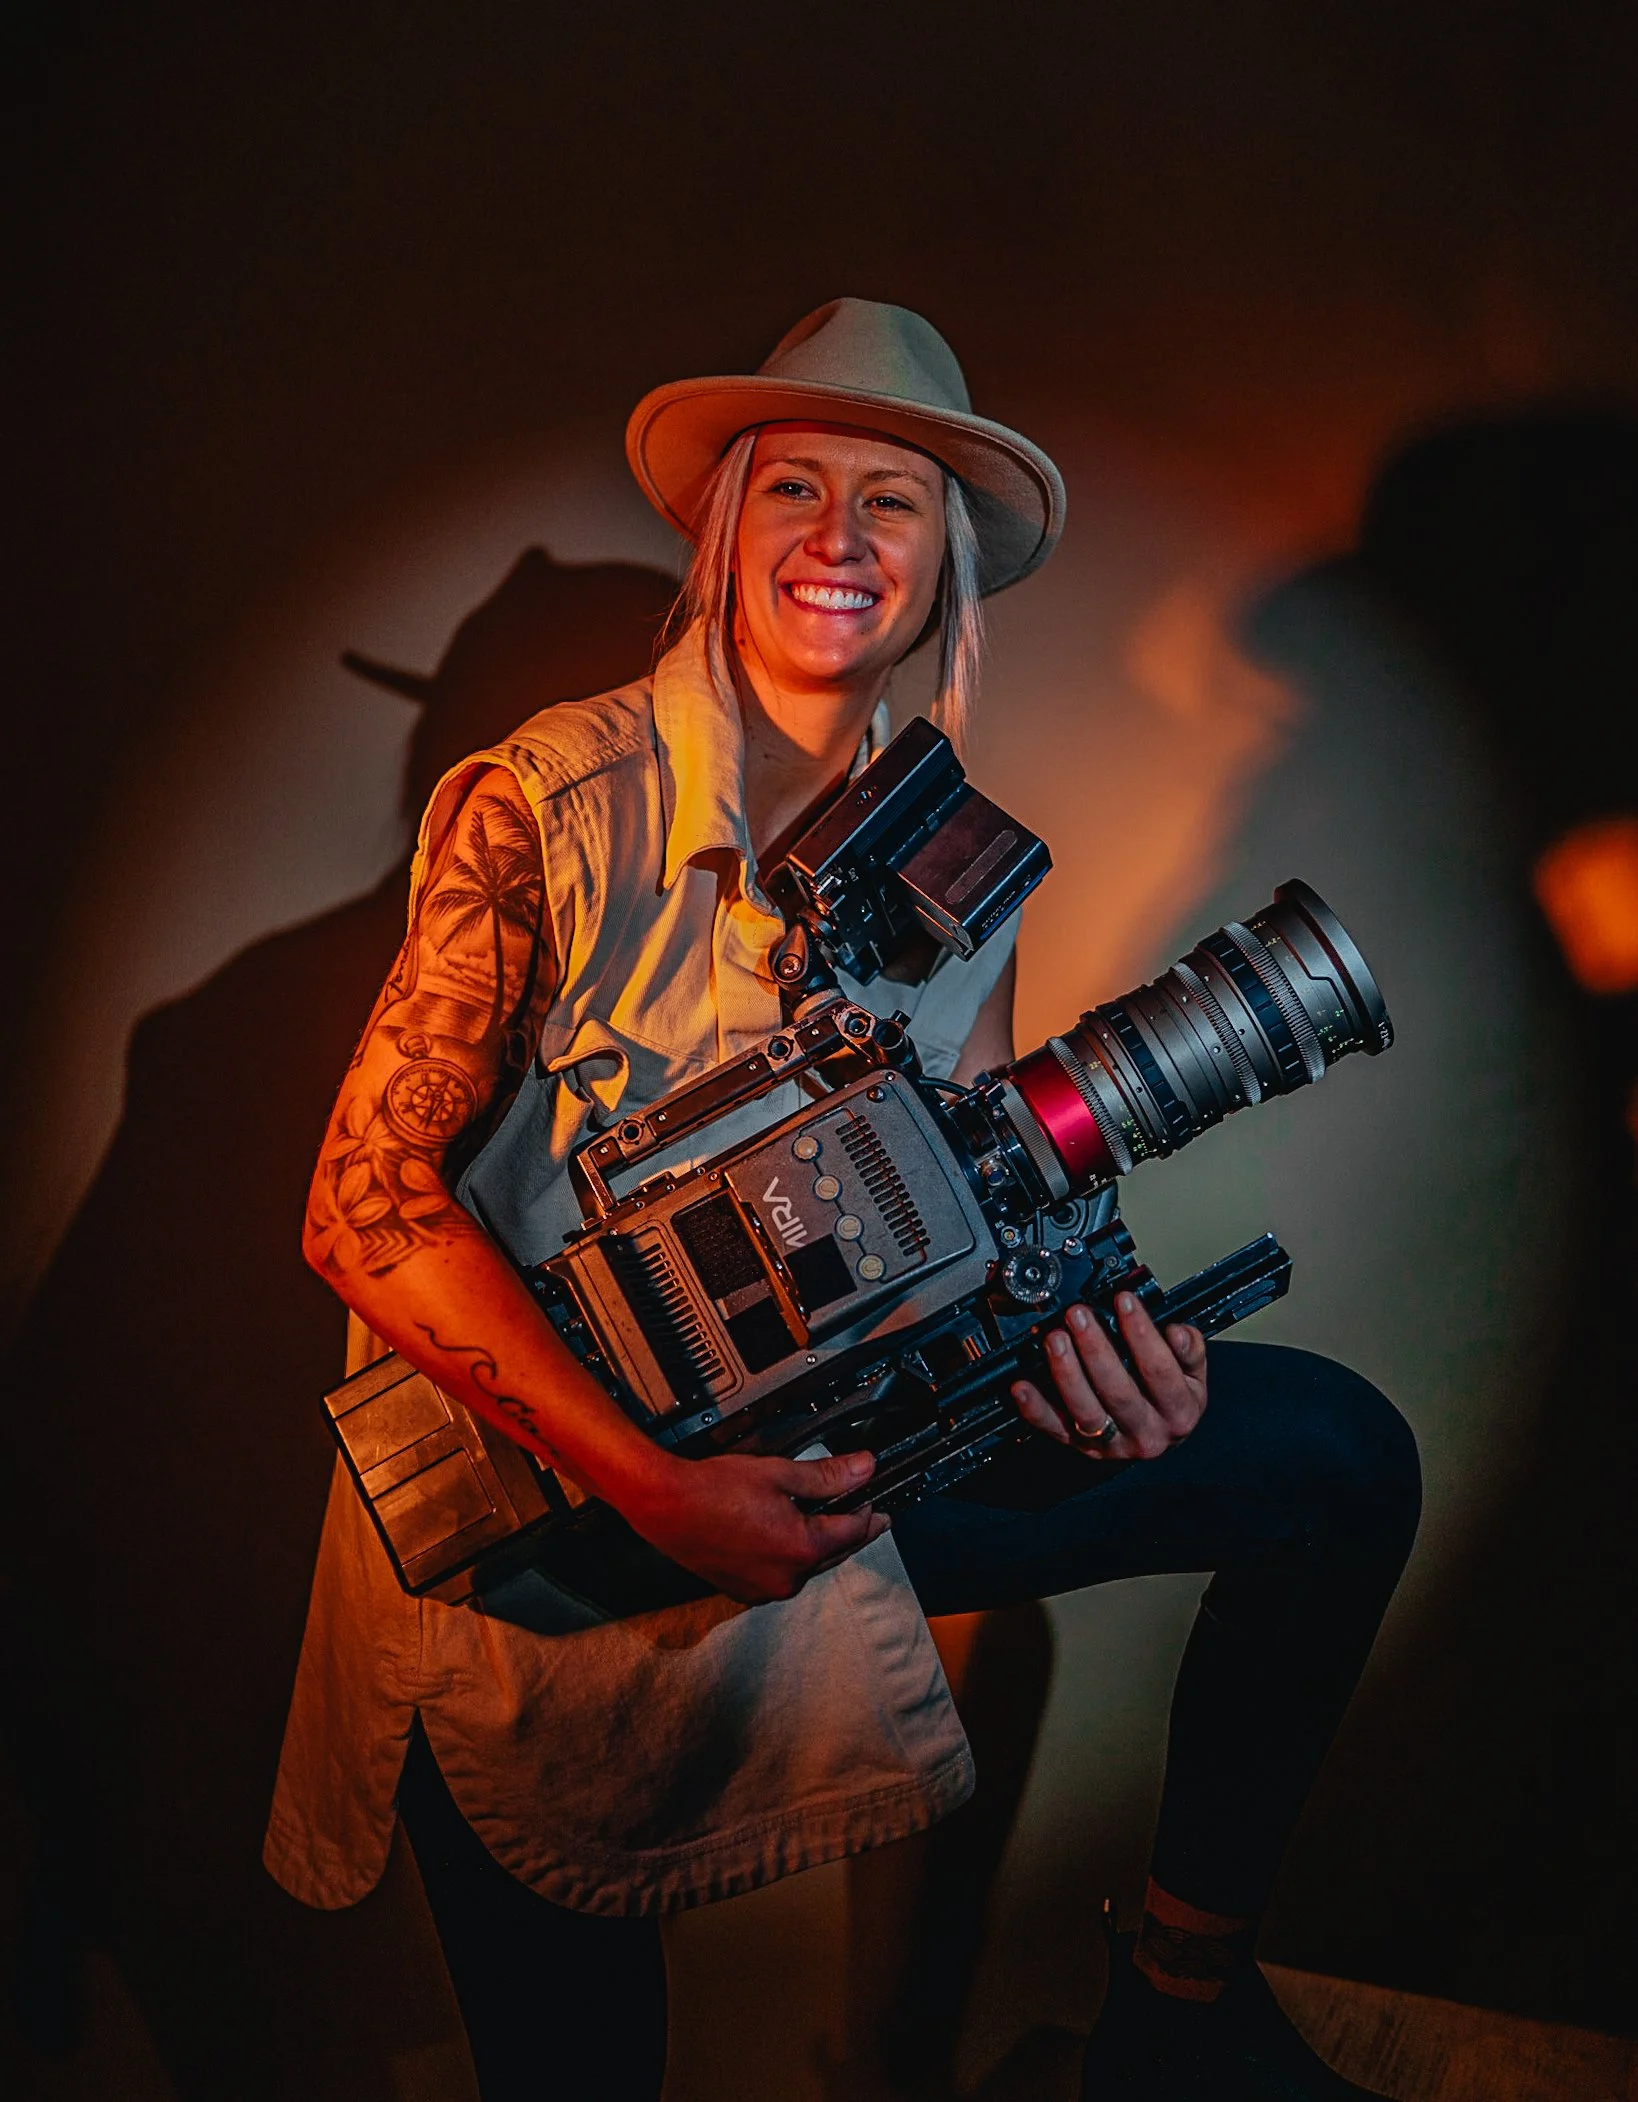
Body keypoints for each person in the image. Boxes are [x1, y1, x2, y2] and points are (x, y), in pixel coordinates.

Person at [265, 298, 1420, 2102]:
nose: (836, 537)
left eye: (890, 500)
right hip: (542, 1529)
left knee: (1327, 1458)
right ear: (721, 533)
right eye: (792, 487)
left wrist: (1097, 1364)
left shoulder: (960, 870)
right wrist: (651, 1482)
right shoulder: (545, 806)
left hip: (801, 1464)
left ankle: (1177, 2019)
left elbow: (949, 1239)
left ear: (943, 566)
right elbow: (361, 1208)